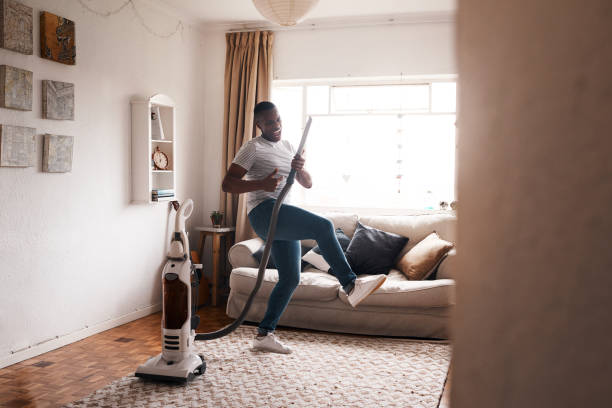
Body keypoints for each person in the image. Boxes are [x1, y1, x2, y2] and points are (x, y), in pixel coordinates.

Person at [222, 101, 387, 354]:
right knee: (323, 226)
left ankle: (264, 335)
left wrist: (300, 169)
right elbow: (228, 184)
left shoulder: (289, 146)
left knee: (290, 278)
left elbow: (307, 183)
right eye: (269, 122)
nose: (276, 126)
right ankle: (351, 285)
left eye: (277, 120)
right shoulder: (252, 148)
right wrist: (260, 185)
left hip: (281, 215)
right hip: (264, 212)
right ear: (259, 125)